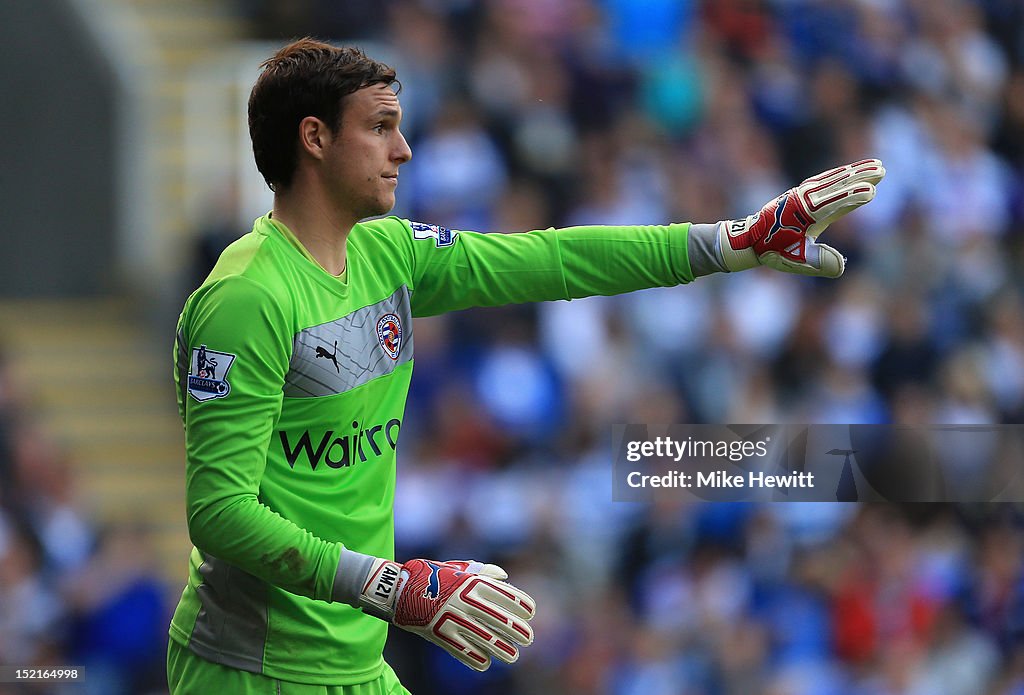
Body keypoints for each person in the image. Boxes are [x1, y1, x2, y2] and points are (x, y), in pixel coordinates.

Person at [167, 37, 885, 694]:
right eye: (381, 127)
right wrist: (393, 586)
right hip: (250, 669)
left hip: (357, 661)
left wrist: (733, 241)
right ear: (315, 138)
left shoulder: (387, 254)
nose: (406, 149)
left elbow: (554, 258)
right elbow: (219, 512)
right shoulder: (248, 299)